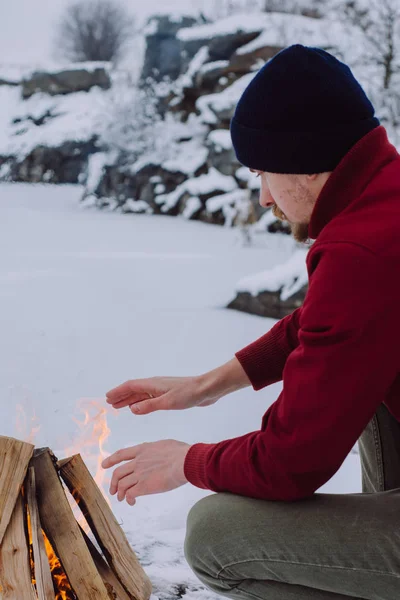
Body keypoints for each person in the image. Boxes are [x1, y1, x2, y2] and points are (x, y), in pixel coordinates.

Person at [102, 45, 400, 600]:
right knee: (365, 380)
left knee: (218, 536)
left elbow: (292, 461)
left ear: (308, 160)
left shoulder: (364, 251)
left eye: (263, 171)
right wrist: (203, 387)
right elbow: (321, 327)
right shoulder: (388, 200)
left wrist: (187, 462)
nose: (263, 197)